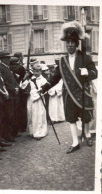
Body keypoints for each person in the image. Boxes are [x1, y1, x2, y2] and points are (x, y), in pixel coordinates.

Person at [40, 20, 97, 153]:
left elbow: (95, 73)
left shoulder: (85, 58)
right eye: (68, 43)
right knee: (71, 118)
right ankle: (75, 142)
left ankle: (87, 134)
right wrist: (44, 88)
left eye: (72, 43)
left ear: (77, 44)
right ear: (66, 44)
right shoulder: (62, 61)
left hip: (83, 92)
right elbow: (55, 78)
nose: (70, 45)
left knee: (86, 116)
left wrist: (87, 73)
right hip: (69, 94)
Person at [0, 51, 19, 141]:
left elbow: (13, 80)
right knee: (8, 116)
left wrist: (17, 87)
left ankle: (11, 133)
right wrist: (13, 89)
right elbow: (4, 83)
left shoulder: (7, 68)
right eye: (6, 58)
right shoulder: (1, 68)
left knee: (13, 115)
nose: (8, 59)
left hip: (13, 95)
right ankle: (7, 135)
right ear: (2, 59)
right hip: (9, 95)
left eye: (8, 58)